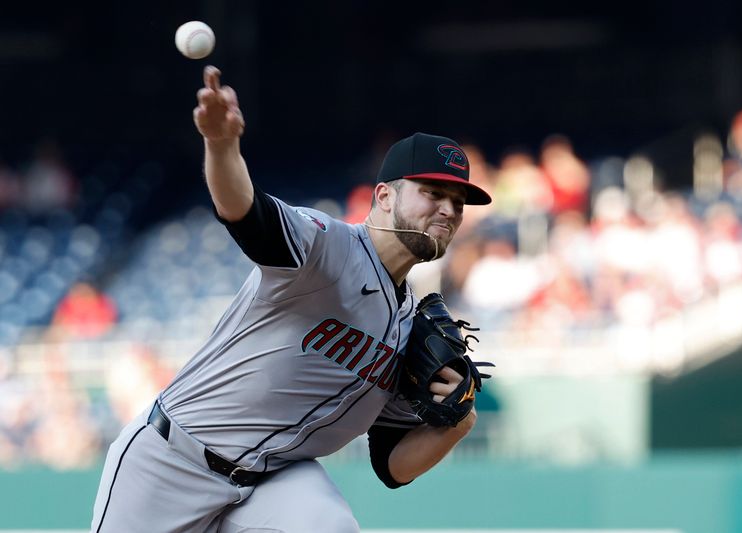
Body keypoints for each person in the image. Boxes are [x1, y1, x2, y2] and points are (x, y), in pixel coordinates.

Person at [91, 65, 492, 533]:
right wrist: (221, 145)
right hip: (172, 460)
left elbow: (392, 466)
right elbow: (245, 212)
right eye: (433, 193)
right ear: (383, 195)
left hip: (273, 480)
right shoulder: (326, 245)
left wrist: (459, 422)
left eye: (458, 203)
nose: (448, 209)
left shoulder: (411, 328)